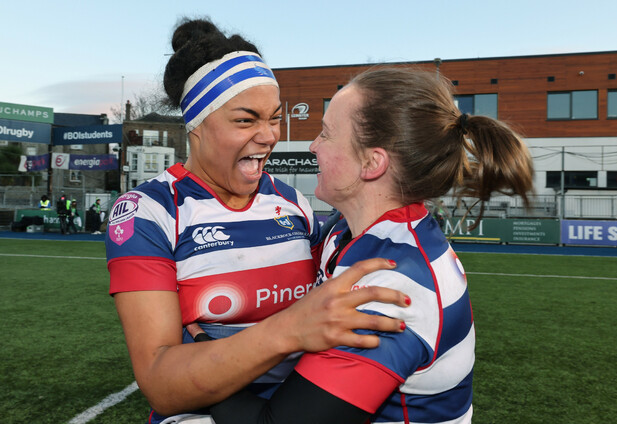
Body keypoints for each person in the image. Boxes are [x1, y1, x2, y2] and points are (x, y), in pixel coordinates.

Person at [105, 18, 409, 424]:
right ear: (196, 125)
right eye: (246, 120)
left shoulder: (292, 202)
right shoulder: (150, 211)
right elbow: (160, 384)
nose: (268, 136)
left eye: (274, 118)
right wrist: (288, 330)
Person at [209, 67, 534, 423]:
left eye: (326, 133)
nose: (313, 146)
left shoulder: (389, 289)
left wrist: (198, 354)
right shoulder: (352, 230)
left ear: (371, 162)